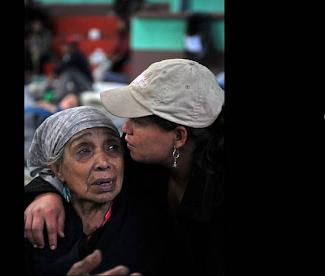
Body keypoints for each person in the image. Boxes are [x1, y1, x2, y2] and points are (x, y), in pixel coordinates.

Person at [24, 58, 225, 275]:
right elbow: (65, 160)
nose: (125, 128)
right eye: (85, 151)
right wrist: (47, 193)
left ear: (178, 136)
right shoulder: (136, 154)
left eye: (137, 120)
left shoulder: (216, 192)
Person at [24, 106, 165, 276]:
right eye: (84, 151)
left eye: (112, 147)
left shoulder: (148, 221)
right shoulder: (34, 222)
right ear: (57, 169)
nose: (103, 162)